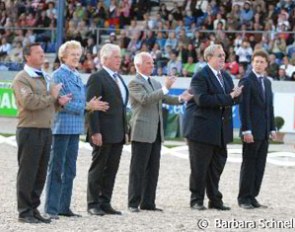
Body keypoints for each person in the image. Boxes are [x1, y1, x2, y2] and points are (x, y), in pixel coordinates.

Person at [44, 40, 109, 219]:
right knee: (56, 168)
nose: (76, 57)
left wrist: (87, 106)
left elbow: (77, 102)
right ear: (63, 56)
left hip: (74, 128)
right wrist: (88, 105)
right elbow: (64, 104)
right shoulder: (58, 76)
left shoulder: (76, 75)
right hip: (61, 127)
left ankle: (64, 206)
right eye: (72, 54)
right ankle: (51, 208)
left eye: (78, 54)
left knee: (70, 170)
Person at [12, 43, 71, 223]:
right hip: (29, 130)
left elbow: (47, 104)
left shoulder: (44, 76)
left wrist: (59, 103)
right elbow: (29, 102)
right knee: (28, 172)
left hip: (46, 130)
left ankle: (34, 208)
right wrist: (52, 97)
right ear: (27, 56)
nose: (42, 55)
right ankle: (24, 211)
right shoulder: (22, 78)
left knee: (40, 172)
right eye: (38, 53)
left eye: (42, 52)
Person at [127, 52, 191, 212]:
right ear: (138, 65)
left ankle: (148, 202)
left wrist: (182, 98)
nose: (152, 65)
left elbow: (165, 98)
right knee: (138, 169)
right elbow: (145, 99)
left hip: (155, 131)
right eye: (148, 63)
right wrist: (165, 88)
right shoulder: (134, 83)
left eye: (152, 63)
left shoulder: (154, 82)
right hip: (141, 130)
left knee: (153, 169)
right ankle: (133, 203)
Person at [183, 44, 243, 211]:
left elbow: (231, 99)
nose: (223, 58)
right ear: (208, 57)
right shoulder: (200, 76)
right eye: (219, 55)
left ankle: (215, 199)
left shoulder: (226, 77)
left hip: (220, 130)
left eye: (224, 55)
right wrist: (229, 97)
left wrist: (237, 96)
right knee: (199, 167)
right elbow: (202, 100)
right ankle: (196, 199)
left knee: (217, 167)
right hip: (201, 130)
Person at [86, 43, 129, 216]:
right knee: (98, 168)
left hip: (117, 132)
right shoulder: (97, 77)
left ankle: (105, 202)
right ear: (104, 59)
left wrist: (125, 130)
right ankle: (93, 203)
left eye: (120, 56)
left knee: (111, 169)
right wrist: (95, 131)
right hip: (102, 132)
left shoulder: (118, 78)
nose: (120, 60)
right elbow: (92, 106)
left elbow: (121, 107)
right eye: (116, 57)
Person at [238, 49, 277, 209]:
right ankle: (243, 198)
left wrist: (272, 127)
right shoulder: (246, 80)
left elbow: (269, 107)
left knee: (260, 165)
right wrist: (246, 130)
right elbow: (244, 107)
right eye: (256, 62)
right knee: (249, 165)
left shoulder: (267, 82)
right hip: (251, 132)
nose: (259, 64)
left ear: (266, 64)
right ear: (252, 63)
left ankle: (253, 196)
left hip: (264, 131)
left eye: (262, 62)